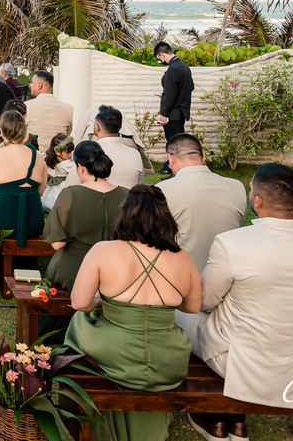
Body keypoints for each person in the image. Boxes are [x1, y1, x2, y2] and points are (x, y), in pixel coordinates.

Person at [174, 165, 293, 439]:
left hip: (241, 361)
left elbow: (204, 302)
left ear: (256, 200)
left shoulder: (232, 243)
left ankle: (210, 414)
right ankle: (230, 419)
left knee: (178, 315)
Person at [65, 185, 202, 441]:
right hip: (168, 359)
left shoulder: (104, 250)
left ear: (125, 214)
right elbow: (193, 307)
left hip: (114, 352)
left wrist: (102, 304)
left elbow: (79, 303)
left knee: (79, 321)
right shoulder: (182, 258)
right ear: (165, 217)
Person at [156, 133, 246, 274]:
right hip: (229, 276)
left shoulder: (161, 190)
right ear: (203, 157)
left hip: (183, 277)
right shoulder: (237, 187)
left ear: (170, 159)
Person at [45, 141, 128, 290]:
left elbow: (57, 244)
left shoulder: (70, 194)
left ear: (81, 168)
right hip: (116, 272)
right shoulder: (127, 195)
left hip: (75, 273)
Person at [0, 110, 47, 249]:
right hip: (32, 221)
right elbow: (40, 191)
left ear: (1, 132)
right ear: (25, 132)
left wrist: (4, 196)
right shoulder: (38, 156)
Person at [71, 105, 154, 175]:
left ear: (97, 127)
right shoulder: (118, 115)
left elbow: (78, 137)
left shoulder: (87, 113)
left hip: (97, 138)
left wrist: (75, 156)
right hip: (129, 139)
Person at [155, 41, 194, 174]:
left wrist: (164, 114)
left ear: (162, 54)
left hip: (173, 113)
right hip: (181, 111)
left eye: (159, 58)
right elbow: (190, 87)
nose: (161, 61)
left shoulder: (173, 69)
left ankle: (175, 171)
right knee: (178, 141)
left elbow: (170, 94)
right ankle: (171, 167)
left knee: (174, 143)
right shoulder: (183, 66)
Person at [91, 105, 145, 188]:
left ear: (97, 127)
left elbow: (71, 184)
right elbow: (140, 186)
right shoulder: (135, 154)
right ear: (120, 127)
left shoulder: (88, 152)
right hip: (128, 200)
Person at [26, 70, 74, 151]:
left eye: (32, 82)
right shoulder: (68, 108)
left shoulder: (27, 106)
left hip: (35, 155)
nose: (30, 85)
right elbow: (68, 132)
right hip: (60, 155)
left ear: (39, 85)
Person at [40, 133, 75, 211]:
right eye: (67, 152)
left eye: (71, 152)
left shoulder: (45, 159)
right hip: (59, 193)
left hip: (45, 192)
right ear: (57, 152)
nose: (70, 155)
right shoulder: (68, 165)